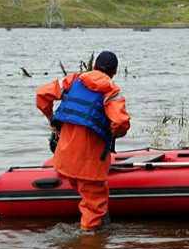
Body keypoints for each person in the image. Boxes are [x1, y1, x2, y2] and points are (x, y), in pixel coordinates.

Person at [36, 51, 130, 231]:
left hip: (64, 160)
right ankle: (90, 248)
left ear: (94, 66)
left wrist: (52, 120)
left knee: (90, 199)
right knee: (93, 209)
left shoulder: (73, 80)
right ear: (114, 71)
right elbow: (120, 122)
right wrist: (112, 133)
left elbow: (41, 95)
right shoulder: (110, 91)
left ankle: (93, 234)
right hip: (89, 165)